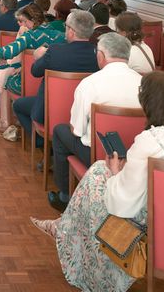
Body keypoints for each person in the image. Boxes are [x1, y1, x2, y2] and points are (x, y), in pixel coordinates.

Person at [31, 71, 164, 292]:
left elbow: (122, 205)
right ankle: (63, 226)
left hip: (153, 226)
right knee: (101, 173)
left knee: (97, 174)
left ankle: (66, 231)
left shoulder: (150, 142)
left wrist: (115, 173)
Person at [48, 33, 142, 212]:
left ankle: (64, 196)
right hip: (134, 155)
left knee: (60, 131)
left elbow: (76, 130)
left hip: (99, 155)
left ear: (101, 56)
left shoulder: (90, 83)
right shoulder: (144, 83)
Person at [13, 10, 99, 149]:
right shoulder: (99, 55)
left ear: (71, 31)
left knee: (18, 105)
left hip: (48, 112)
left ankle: (43, 144)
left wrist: (37, 57)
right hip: (85, 116)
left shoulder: (55, 51)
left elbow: (35, 72)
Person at [0, 4, 65, 137]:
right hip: (53, 86)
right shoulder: (60, 35)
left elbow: (7, 51)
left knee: (6, 81)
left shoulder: (29, 36)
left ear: (32, 20)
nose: (23, 25)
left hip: (28, 82)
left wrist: (0, 55)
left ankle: (5, 122)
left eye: (24, 21)